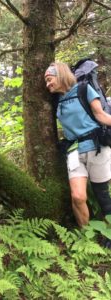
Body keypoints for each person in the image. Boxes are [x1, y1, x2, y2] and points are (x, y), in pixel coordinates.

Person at [44, 62, 111, 228]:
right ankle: (86, 236)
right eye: (46, 81)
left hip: (97, 148)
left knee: (102, 194)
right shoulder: (55, 100)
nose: (48, 84)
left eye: (50, 79)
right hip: (74, 151)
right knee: (78, 197)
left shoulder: (83, 89)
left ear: (60, 75)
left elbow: (101, 116)